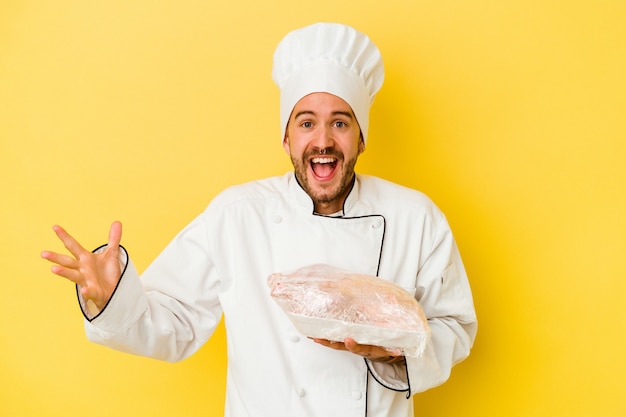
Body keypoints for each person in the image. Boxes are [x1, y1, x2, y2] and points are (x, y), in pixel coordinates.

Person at [41, 22, 477, 417]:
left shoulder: (415, 217)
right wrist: (111, 297)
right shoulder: (237, 215)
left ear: (361, 137)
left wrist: (391, 351)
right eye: (306, 123)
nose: (322, 140)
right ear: (287, 136)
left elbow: (455, 327)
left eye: (340, 123)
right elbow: (171, 322)